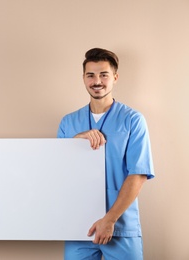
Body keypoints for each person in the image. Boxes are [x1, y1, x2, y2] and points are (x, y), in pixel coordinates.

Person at [57, 48, 154, 260]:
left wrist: (109, 220)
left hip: (120, 227)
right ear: (83, 78)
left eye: (104, 74)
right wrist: (75, 143)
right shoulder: (68, 123)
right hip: (79, 228)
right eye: (90, 75)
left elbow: (138, 174)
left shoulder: (133, 120)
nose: (97, 81)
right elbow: (58, 172)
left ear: (115, 78)